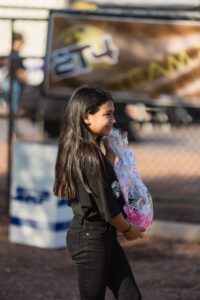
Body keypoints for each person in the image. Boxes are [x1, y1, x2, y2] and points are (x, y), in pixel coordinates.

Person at [53, 85, 145, 300]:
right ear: (86, 117)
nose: (113, 120)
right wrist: (128, 229)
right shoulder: (88, 156)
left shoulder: (92, 151)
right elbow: (108, 210)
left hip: (103, 235)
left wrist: (110, 158)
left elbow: (101, 186)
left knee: (131, 296)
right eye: (108, 114)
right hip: (89, 238)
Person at [2, 32, 26, 113]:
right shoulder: (15, 56)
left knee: (10, 111)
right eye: (22, 41)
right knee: (13, 112)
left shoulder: (9, 54)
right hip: (14, 84)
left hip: (7, 83)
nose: (23, 43)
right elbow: (20, 72)